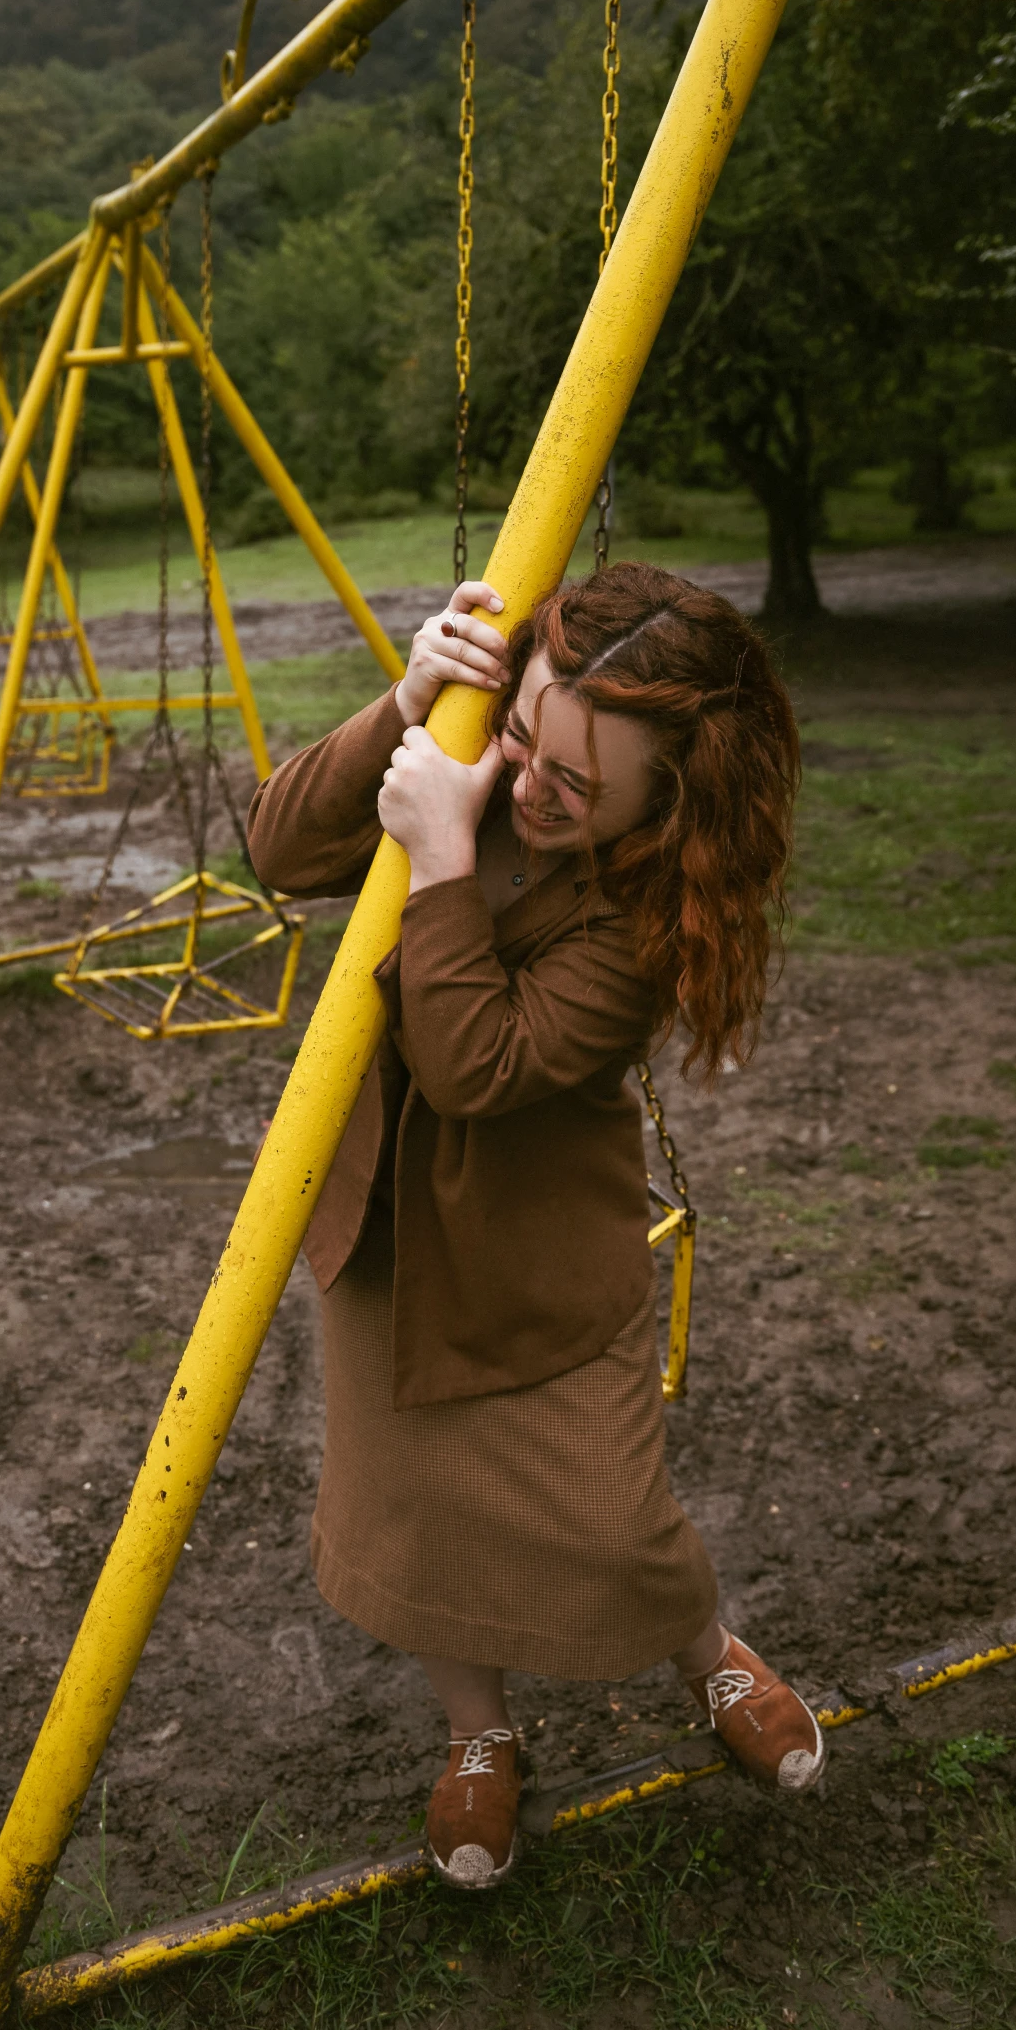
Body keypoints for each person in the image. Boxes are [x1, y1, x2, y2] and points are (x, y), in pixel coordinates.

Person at [246, 558, 820, 1892]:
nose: (527, 788)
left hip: (537, 1247)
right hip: (391, 1226)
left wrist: (441, 856)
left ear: (665, 802)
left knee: (612, 1514)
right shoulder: (470, 755)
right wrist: (408, 705)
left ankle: (704, 1645)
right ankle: (478, 1730)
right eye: (523, 737)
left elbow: (478, 1068)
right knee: (421, 1507)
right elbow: (278, 848)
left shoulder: (641, 915)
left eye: (577, 781)